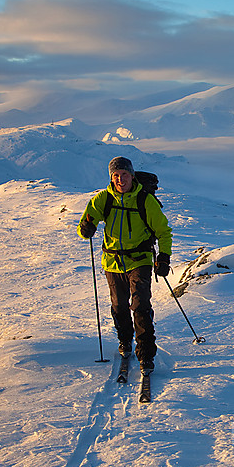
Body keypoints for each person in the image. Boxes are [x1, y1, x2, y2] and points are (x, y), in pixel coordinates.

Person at [77, 156, 172, 375]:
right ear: (111, 177)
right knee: (119, 307)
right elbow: (86, 222)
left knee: (140, 307)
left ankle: (146, 353)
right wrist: (85, 229)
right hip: (112, 263)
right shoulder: (103, 199)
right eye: (116, 175)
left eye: (124, 175)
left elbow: (163, 231)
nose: (120, 179)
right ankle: (125, 341)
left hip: (139, 261)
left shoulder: (144, 200)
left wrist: (164, 258)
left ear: (132, 175)